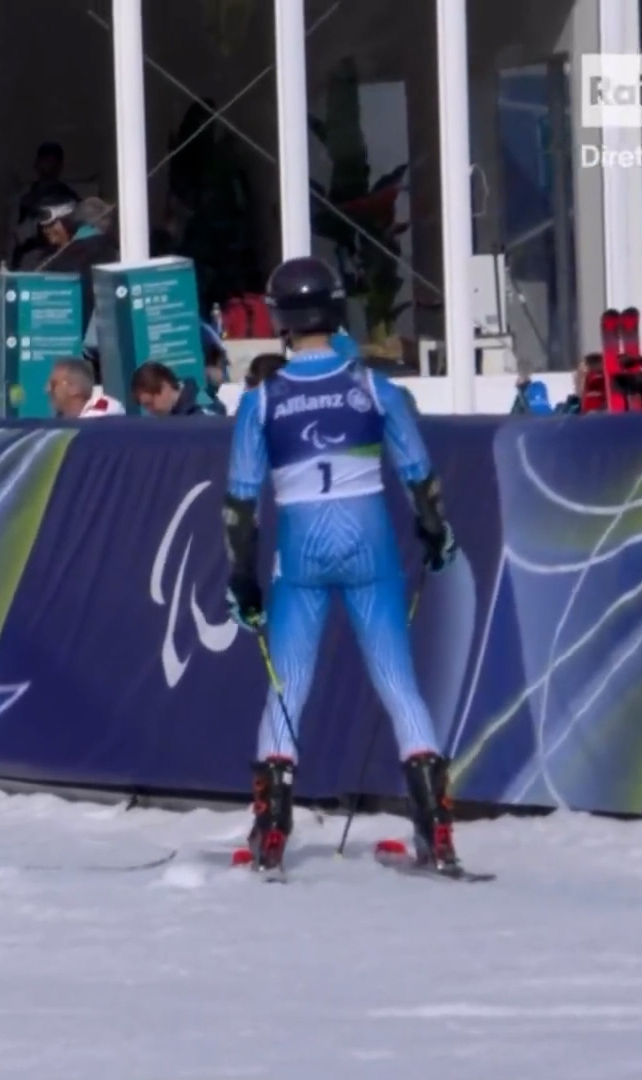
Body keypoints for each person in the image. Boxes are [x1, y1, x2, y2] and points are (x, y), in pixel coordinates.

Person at [220, 256, 465, 878]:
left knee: (288, 687)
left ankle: (271, 830)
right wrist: (435, 536)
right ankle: (435, 828)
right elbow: (421, 478)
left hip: (300, 551)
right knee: (398, 682)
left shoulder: (262, 399)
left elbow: (240, 505)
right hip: (370, 547)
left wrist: (242, 579)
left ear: (279, 319)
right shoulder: (374, 387)